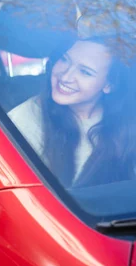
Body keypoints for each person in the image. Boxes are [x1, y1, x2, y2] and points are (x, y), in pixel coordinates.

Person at [8, 36, 136, 187]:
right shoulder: (24, 119)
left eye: (85, 72)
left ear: (109, 85)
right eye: (64, 60)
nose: (66, 76)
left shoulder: (126, 123)